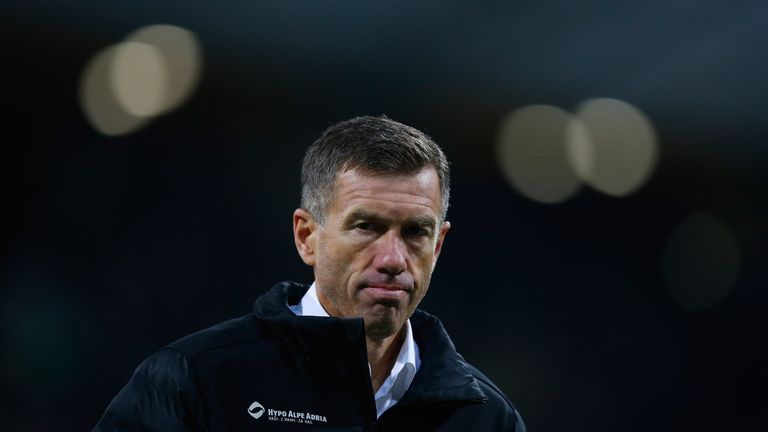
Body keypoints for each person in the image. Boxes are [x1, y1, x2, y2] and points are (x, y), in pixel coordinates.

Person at [93, 116, 526, 431]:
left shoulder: (486, 417)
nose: (393, 258)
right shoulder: (197, 380)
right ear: (306, 236)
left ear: (439, 245)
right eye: (366, 227)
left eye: (415, 232)